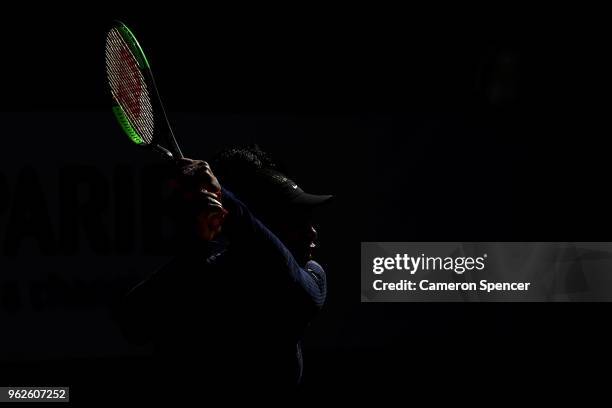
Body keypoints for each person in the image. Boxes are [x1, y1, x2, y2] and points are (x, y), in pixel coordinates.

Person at [116, 145, 332, 395]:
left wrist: (224, 200)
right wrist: (194, 250)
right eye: (296, 220)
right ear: (268, 223)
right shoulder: (206, 273)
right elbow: (132, 322)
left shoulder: (310, 276)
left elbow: (300, 290)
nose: (312, 232)